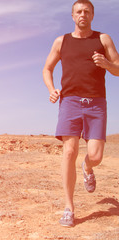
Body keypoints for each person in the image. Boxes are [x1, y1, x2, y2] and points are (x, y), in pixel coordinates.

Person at [43, 0, 119, 227]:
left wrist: (106, 63)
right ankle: (69, 207)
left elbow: (118, 69)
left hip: (96, 103)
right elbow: (47, 68)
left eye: (87, 11)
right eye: (78, 11)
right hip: (70, 102)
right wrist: (52, 89)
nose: (82, 14)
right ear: (72, 15)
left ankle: (87, 168)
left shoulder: (103, 39)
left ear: (93, 15)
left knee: (95, 156)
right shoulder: (62, 41)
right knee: (69, 151)